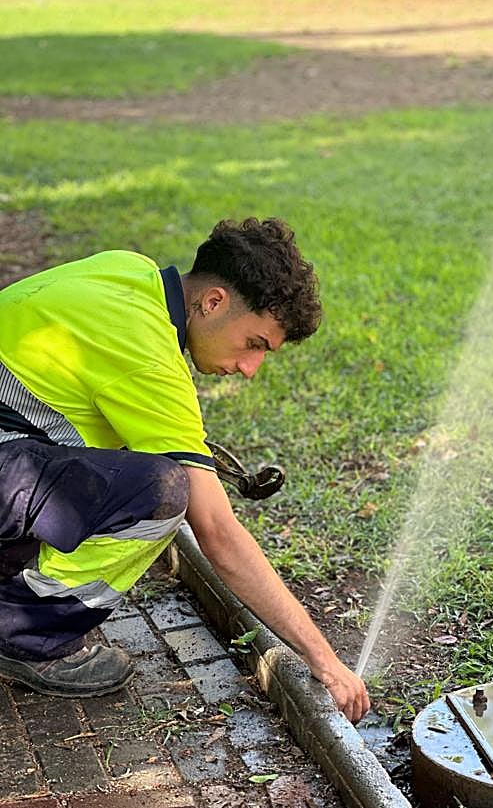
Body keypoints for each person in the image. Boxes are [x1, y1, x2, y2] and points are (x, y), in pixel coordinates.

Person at [0, 216, 369, 723]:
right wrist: (324, 661)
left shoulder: (128, 271)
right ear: (213, 302)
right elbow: (217, 533)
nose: (250, 369)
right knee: (159, 491)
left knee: (111, 472)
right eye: (255, 344)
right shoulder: (148, 355)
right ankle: (26, 635)